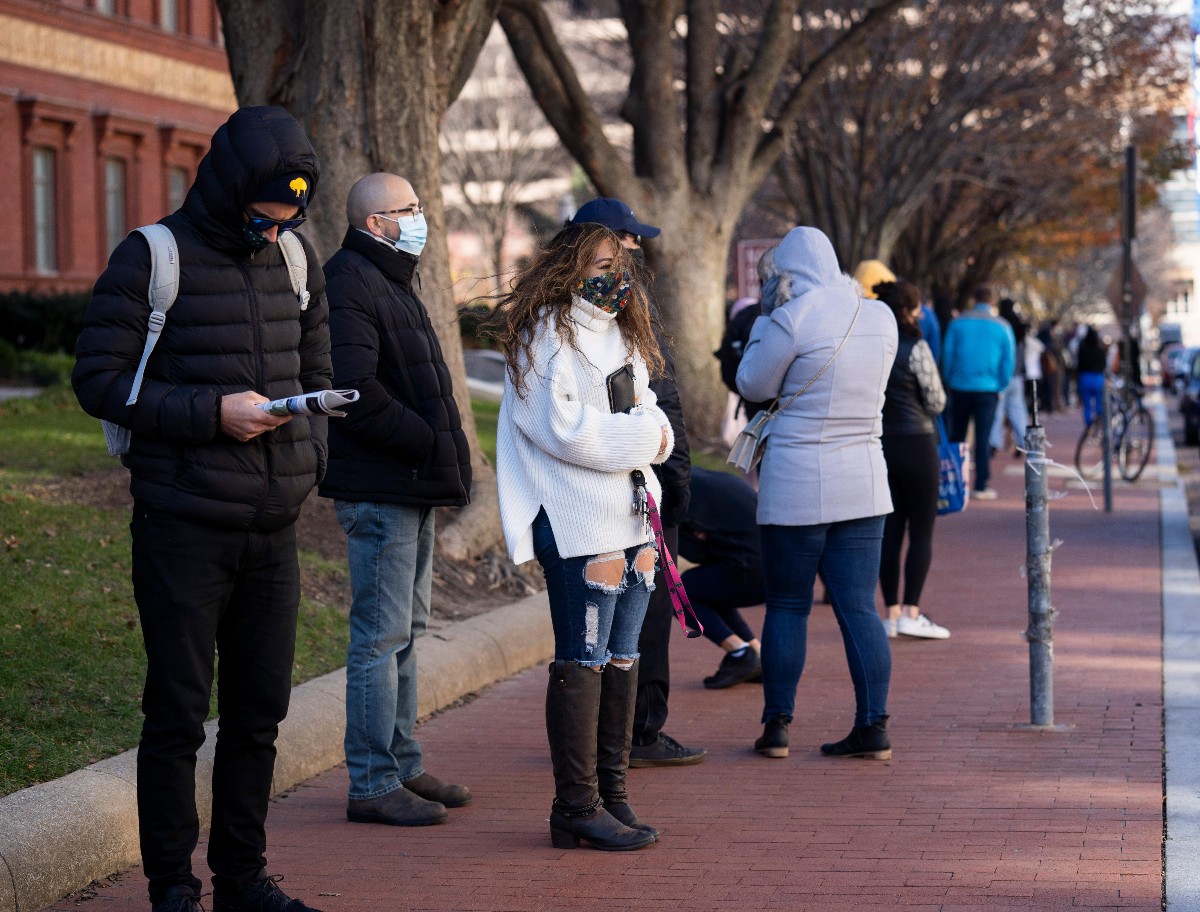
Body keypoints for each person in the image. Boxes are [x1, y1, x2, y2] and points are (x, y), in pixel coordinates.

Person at [72, 106, 330, 912]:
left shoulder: (295, 257)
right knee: (179, 714)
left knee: (259, 715)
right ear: (227, 192)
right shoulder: (153, 256)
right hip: (182, 525)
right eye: (260, 218)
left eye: (285, 220)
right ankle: (173, 887)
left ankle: (244, 880)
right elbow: (99, 381)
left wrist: (306, 451)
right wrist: (212, 412)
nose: (271, 233)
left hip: (273, 530)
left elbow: (316, 363)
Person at [488, 221, 670, 851]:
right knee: (583, 658)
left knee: (623, 657)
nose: (611, 274)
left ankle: (612, 795)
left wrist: (645, 435)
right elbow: (567, 432)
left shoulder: (621, 333)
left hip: (633, 517)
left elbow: (652, 415)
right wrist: (645, 438)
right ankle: (575, 804)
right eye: (597, 262)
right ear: (567, 265)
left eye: (618, 262)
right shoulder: (545, 337)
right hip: (574, 524)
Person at [319, 173, 473, 827]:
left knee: (405, 633)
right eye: (409, 209)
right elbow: (353, 389)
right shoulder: (351, 281)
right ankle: (373, 782)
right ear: (376, 221)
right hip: (381, 488)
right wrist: (424, 443)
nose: (421, 217)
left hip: (409, 487)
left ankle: (403, 764)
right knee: (379, 640)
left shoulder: (393, 278)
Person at [737, 226, 898, 762]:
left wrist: (764, 316)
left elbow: (753, 385)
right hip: (866, 480)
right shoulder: (880, 316)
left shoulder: (790, 316)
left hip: (796, 483)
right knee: (860, 607)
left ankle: (777, 726)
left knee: (787, 605)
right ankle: (873, 725)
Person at [569, 197, 705, 769]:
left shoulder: (574, 310)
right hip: (631, 486)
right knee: (640, 622)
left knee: (611, 621)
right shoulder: (618, 309)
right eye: (628, 240)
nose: (636, 250)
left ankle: (611, 733)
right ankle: (637, 732)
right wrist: (676, 483)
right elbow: (660, 401)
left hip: (609, 487)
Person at [873, 281, 949, 640]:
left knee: (889, 532)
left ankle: (888, 614)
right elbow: (936, 400)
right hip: (918, 443)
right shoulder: (916, 347)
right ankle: (912, 613)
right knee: (921, 532)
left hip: (881, 444)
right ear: (907, 311)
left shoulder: (870, 347)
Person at [678, 468, 766, 687]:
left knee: (677, 591)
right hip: (776, 567)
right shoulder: (708, 478)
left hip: (752, 570)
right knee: (709, 587)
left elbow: (693, 553)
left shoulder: (676, 492)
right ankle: (756, 653)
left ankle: (740, 653)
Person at [940, 284, 1016, 501]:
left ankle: (954, 480)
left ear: (974, 298)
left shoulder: (958, 323)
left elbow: (948, 354)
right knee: (983, 438)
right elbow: (1007, 361)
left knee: (957, 436)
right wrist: (1001, 385)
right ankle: (981, 483)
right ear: (992, 301)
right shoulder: (1002, 326)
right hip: (988, 388)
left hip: (960, 385)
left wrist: (950, 378)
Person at [988, 299, 1033, 458]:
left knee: (996, 413)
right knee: (1018, 412)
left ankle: (993, 444)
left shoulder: (999, 325)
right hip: (1017, 377)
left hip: (1000, 377)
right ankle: (1024, 443)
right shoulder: (1020, 328)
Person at [1077, 326, 1108, 426]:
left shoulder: (1083, 348)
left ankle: (1088, 424)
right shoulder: (1099, 349)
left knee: (1087, 404)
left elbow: (1079, 364)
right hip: (1097, 377)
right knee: (1099, 402)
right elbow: (1104, 364)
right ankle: (1099, 422)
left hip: (1085, 377)